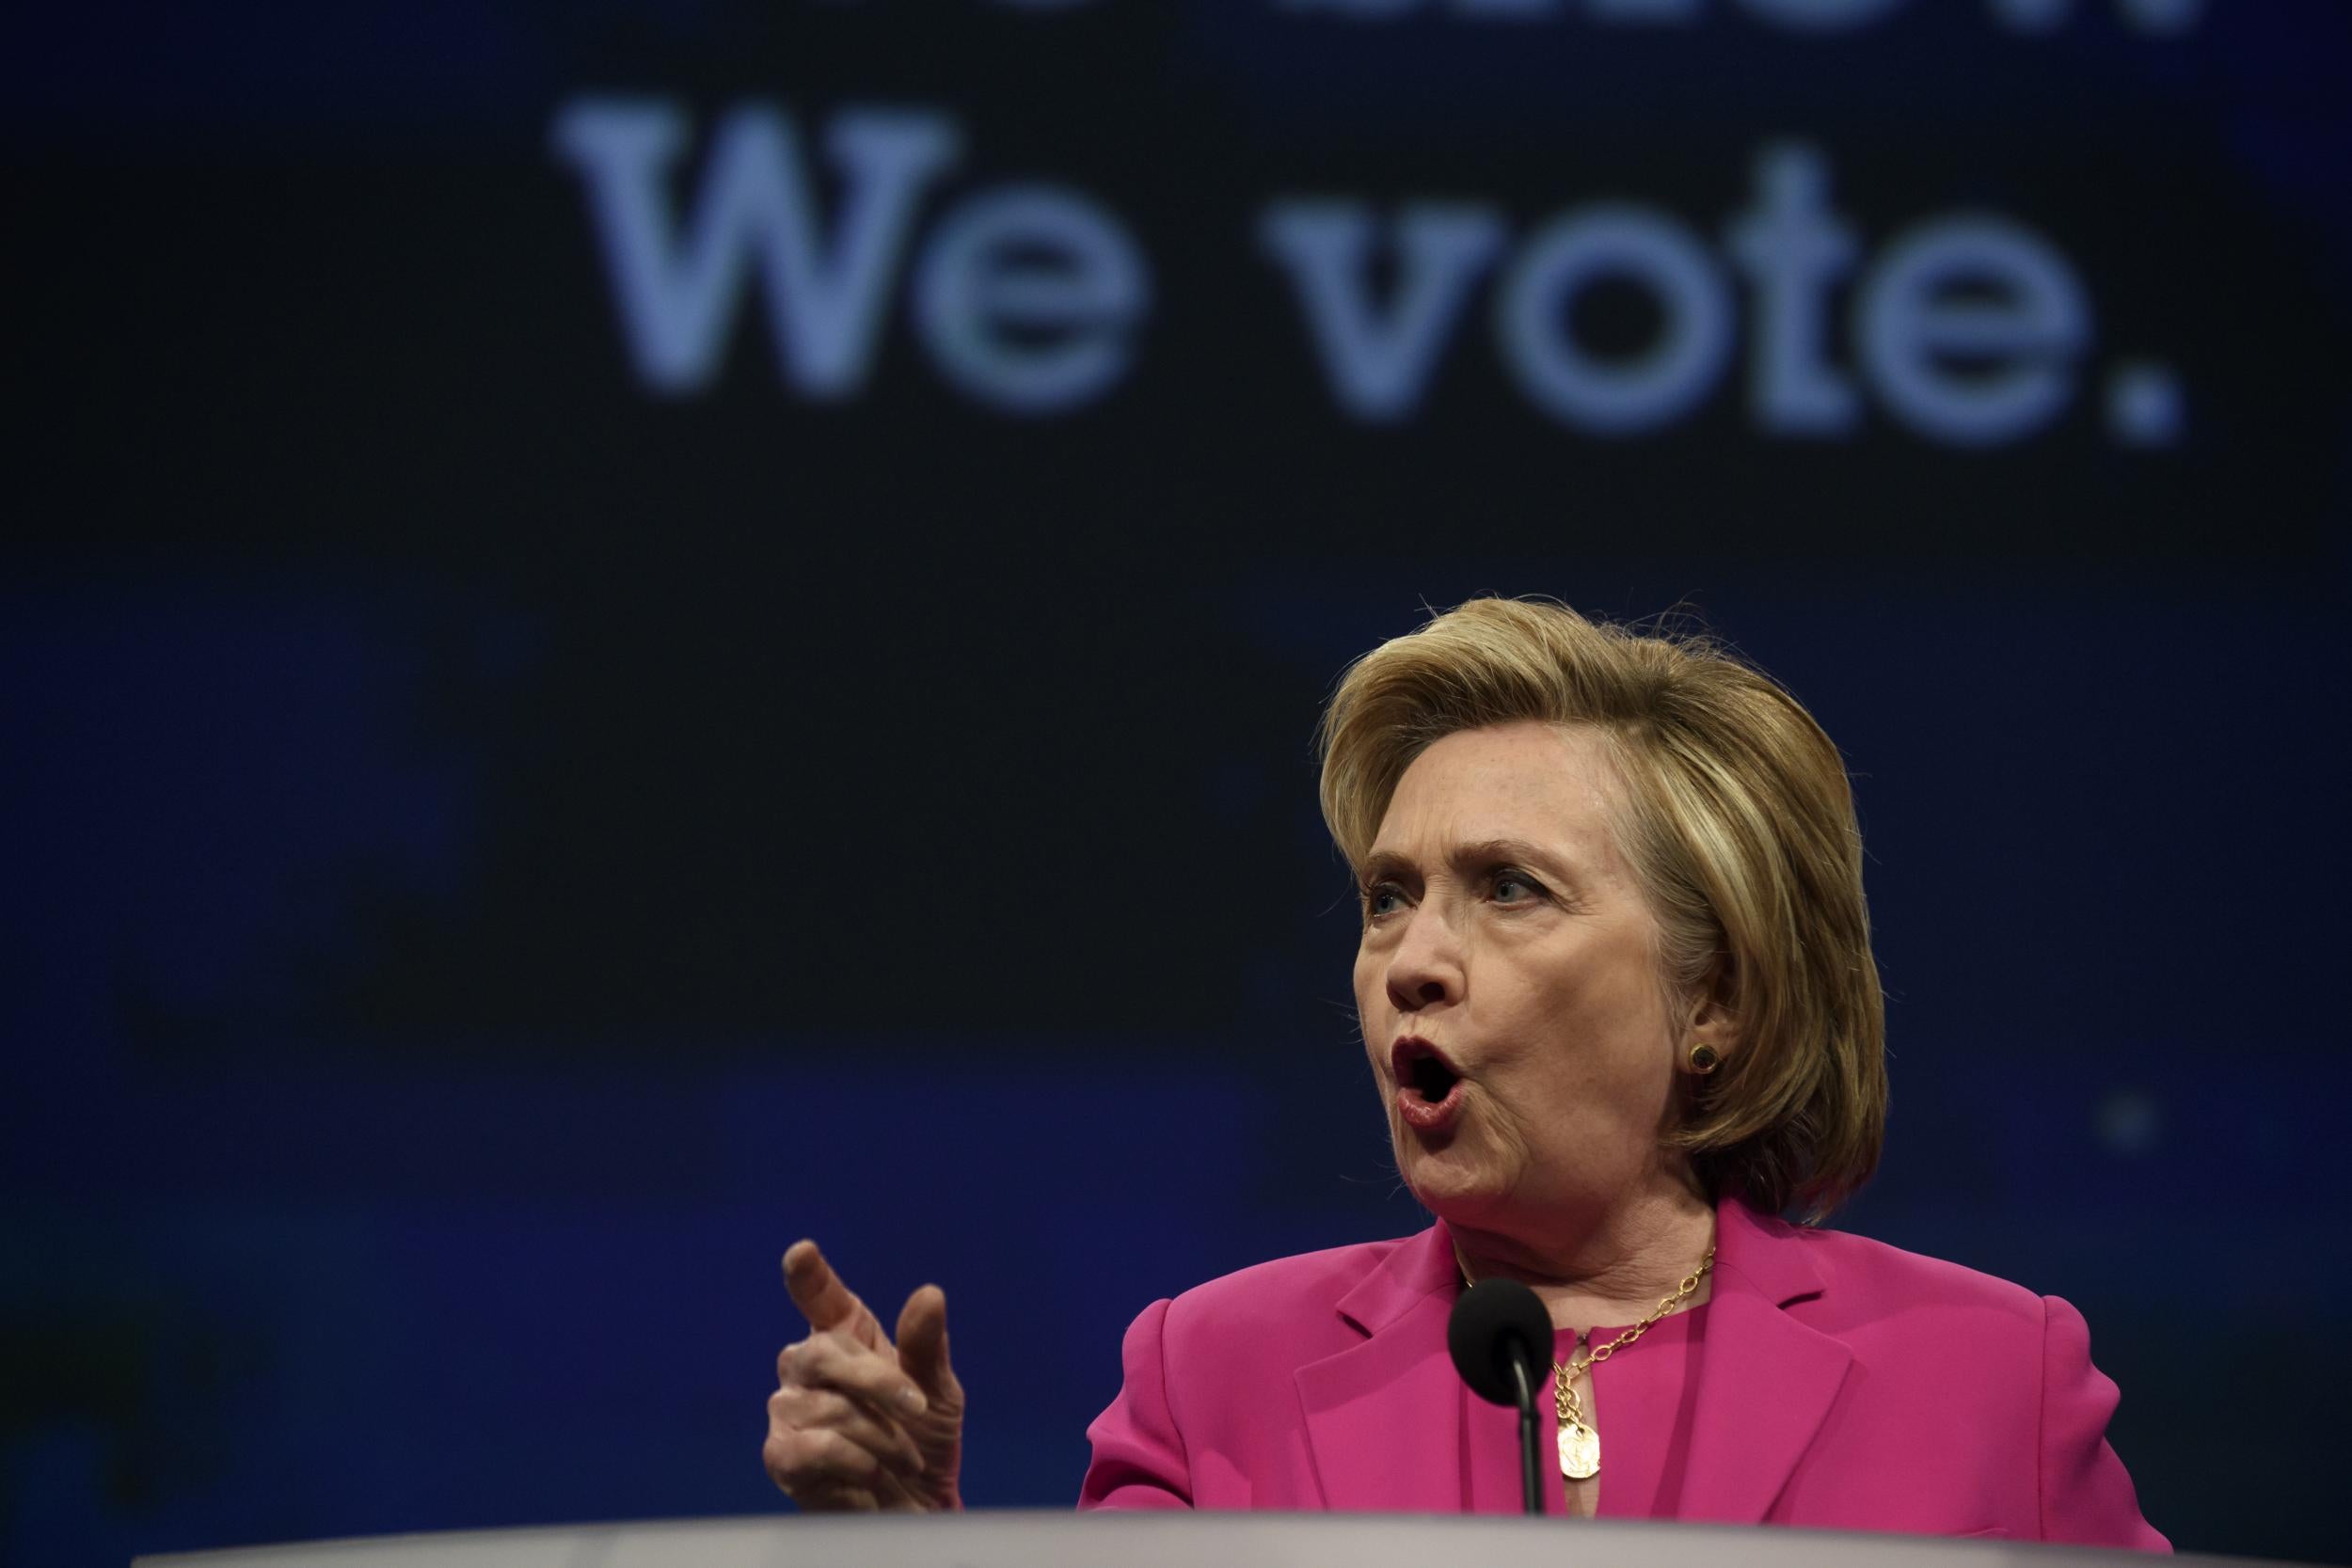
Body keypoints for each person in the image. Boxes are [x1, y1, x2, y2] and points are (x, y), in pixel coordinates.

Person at [760, 597, 2166, 1545]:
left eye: (1508, 889)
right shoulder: (1215, 1372)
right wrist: (910, 1557)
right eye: (1386, 897)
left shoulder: (1991, 1379)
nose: (1412, 961)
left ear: (1717, 996)